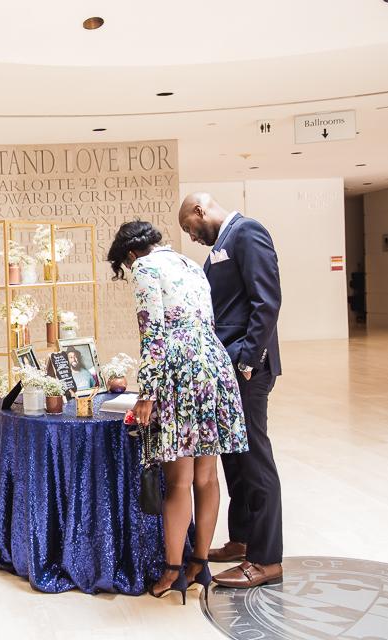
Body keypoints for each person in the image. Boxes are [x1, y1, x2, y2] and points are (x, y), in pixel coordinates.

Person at [107, 221, 248, 602]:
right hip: (213, 363)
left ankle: (171, 571)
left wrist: (147, 394)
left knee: (179, 480)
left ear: (131, 254)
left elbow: (151, 334)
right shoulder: (189, 264)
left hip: (179, 367)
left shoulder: (144, 268)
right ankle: (199, 563)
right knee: (207, 475)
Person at [178, 192, 284, 589]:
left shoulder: (248, 232)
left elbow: (267, 302)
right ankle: (241, 539)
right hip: (227, 369)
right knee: (234, 459)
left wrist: (246, 361)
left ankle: (267, 558)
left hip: (248, 369)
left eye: (190, 228)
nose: (192, 237)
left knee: (255, 460)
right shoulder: (221, 244)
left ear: (201, 211)